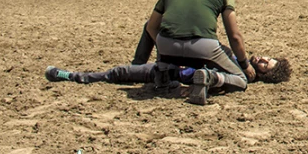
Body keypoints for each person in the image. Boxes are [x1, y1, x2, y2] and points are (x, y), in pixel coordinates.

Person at [142, 0, 258, 105]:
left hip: (166, 47)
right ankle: (210, 77)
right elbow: (234, 35)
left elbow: (151, 26)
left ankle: (163, 72)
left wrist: (163, 47)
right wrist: (244, 64)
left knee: (165, 33)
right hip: (203, 48)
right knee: (240, 80)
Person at [46, 54, 291, 86]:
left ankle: (72, 76)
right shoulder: (237, 59)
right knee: (120, 72)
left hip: (174, 74)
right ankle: (72, 76)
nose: (259, 58)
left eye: (264, 64)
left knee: (122, 73)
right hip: (170, 68)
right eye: (265, 57)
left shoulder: (239, 78)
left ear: (265, 75)